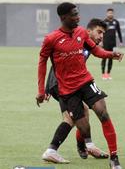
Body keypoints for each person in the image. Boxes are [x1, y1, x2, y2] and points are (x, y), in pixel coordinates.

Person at [36, 2, 124, 169]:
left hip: (85, 82)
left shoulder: (81, 33)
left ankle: (114, 157)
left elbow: (96, 51)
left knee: (103, 113)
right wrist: (42, 90)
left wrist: (111, 55)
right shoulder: (51, 39)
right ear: (64, 17)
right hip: (67, 90)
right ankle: (82, 146)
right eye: (74, 15)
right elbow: (42, 63)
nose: (78, 17)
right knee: (82, 126)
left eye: (78, 14)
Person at [42, 19, 110, 164]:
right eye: (99, 32)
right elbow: (55, 63)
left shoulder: (86, 44)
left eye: (103, 34)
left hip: (61, 84)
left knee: (83, 112)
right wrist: (48, 87)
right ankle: (52, 150)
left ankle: (85, 146)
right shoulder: (77, 40)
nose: (101, 36)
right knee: (70, 119)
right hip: (61, 85)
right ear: (88, 31)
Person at [102, 8, 123, 80]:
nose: (110, 14)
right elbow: (101, 32)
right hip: (105, 43)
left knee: (111, 58)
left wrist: (121, 41)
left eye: (111, 13)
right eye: (109, 13)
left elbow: (119, 32)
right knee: (104, 58)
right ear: (107, 14)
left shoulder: (116, 22)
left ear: (113, 14)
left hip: (113, 43)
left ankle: (108, 73)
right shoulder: (104, 22)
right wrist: (101, 41)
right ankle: (103, 74)